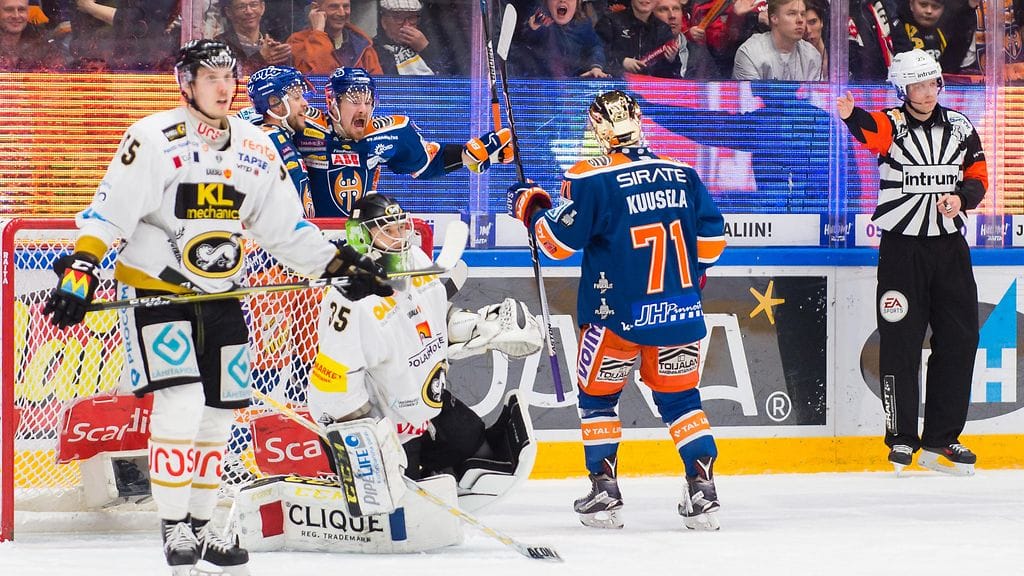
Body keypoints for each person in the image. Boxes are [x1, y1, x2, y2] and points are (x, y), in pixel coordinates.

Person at [40, 39, 392, 575]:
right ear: (186, 85)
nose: (225, 87)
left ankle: (202, 528)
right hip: (158, 294)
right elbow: (108, 212)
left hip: (223, 296)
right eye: (211, 78)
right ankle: (173, 525)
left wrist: (339, 266)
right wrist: (80, 269)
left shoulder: (255, 145)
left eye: (230, 77)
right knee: (179, 403)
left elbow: (285, 230)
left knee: (218, 415)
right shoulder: (153, 138)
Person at [507, 90, 727, 530]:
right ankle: (702, 488)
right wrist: (688, 279)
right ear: (640, 120)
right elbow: (713, 244)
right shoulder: (683, 173)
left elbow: (557, 244)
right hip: (679, 315)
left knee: (598, 399)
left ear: (596, 128)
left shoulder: (590, 176)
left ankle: (604, 490)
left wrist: (530, 208)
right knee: (682, 401)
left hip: (614, 317)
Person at [306, 194, 544, 518]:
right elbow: (333, 380)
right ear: (361, 236)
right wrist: (367, 441)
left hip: (424, 402)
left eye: (401, 227)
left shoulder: (415, 259)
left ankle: (436, 471)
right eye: (387, 230)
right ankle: (405, 475)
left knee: (474, 441)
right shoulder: (347, 301)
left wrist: (480, 328)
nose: (400, 236)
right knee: (400, 507)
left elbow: (430, 315)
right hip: (385, 423)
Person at [837, 49, 987, 477]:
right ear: (902, 90)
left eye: (933, 83)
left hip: (950, 248)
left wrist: (962, 198)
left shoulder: (960, 125)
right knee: (901, 341)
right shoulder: (893, 123)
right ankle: (902, 438)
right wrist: (851, 115)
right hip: (902, 250)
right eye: (918, 85)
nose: (927, 92)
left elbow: (978, 176)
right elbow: (871, 131)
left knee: (960, 340)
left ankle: (943, 438)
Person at [295, 67, 514, 217]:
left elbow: (428, 164)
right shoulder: (303, 125)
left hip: (358, 238)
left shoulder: (391, 133)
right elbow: (265, 127)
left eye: (368, 100)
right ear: (332, 103)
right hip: (308, 239)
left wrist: (472, 155)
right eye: (354, 101)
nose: (363, 108)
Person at [244, 65, 315, 214]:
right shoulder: (265, 141)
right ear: (275, 103)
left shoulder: (282, 137)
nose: (305, 103)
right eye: (296, 97)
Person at [509, 0, 609, 79]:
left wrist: (596, 67)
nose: (562, 0)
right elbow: (525, 41)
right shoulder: (542, 24)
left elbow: (595, 46)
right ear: (546, 2)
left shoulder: (582, 25)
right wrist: (532, 28)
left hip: (573, 87)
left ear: (577, 4)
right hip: (542, 87)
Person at [286, 0, 383, 75]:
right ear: (315, 8)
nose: (341, 13)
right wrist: (318, 33)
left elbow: (379, 88)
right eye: (333, 7)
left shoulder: (363, 45)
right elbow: (320, 79)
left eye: (346, 6)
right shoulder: (297, 42)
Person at [733, 0, 822, 80]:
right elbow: (750, 97)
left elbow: (816, 96)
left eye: (802, 14)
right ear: (774, 18)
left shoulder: (812, 55)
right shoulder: (750, 53)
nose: (800, 20)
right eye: (792, 13)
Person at [595, 0, 678, 77]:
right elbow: (596, 54)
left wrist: (671, 61)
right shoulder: (610, 21)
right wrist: (622, 61)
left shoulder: (663, 29)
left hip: (650, 88)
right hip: (616, 86)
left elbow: (672, 74)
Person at [215, 0, 293, 76]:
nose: (249, 11)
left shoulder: (272, 45)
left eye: (254, 5)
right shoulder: (219, 45)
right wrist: (260, 58)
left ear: (262, 7)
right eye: (241, 7)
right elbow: (230, 80)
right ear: (229, 12)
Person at [372, 0, 449, 76]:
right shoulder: (373, 50)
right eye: (399, 18)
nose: (406, 25)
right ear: (384, 22)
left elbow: (449, 75)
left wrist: (426, 49)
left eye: (412, 18)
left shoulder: (431, 40)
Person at [0, 0, 63, 69]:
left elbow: (58, 73)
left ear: (27, 12)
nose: (16, 16)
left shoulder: (42, 43)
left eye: (21, 10)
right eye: (9, 10)